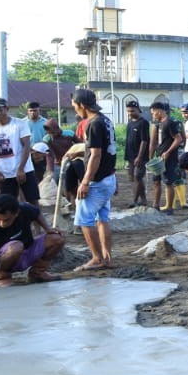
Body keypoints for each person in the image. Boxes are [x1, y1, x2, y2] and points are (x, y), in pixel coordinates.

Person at [70, 88, 118, 272]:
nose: (75, 110)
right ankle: (107, 257)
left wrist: (85, 181)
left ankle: (97, 258)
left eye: (75, 106)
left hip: (98, 180)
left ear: (82, 105)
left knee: (84, 219)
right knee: (102, 218)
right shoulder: (105, 120)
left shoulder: (93, 123)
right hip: (108, 177)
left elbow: (96, 155)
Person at [0, 97, 41, 205]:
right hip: (4, 173)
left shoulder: (19, 124)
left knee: (33, 202)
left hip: (25, 169)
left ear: (6, 109)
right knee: (7, 205)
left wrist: (21, 169)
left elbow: (26, 146)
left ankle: (36, 222)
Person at [149, 102, 183, 213]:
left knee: (168, 182)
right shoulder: (158, 124)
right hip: (159, 157)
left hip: (169, 157)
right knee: (156, 181)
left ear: (159, 111)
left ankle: (169, 208)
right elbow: (153, 142)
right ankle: (155, 205)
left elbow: (178, 139)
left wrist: (168, 152)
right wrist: (150, 157)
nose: (153, 115)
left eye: (153, 113)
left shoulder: (170, 123)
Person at [124, 101, 150, 207]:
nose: (130, 113)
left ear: (138, 109)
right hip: (130, 155)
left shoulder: (143, 123)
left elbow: (144, 141)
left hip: (140, 156)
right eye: (128, 111)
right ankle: (143, 200)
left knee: (137, 177)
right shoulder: (130, 122)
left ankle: (134, 201)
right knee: (135, 178)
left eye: (132, 111)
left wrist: (139, 156)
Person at [24, 102, 49, 181]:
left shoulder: (46, 123)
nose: (32, 113)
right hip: (27, 152)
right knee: (29, 174)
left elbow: (49, 137)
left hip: (41, 153)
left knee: (40, 174)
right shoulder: (22, 123)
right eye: (30, 111)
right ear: (27, 111)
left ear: (39, 111)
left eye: (35, 111)